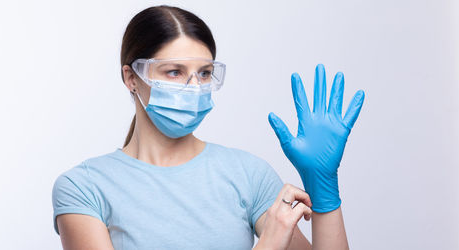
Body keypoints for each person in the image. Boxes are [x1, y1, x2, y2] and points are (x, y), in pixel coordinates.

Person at [52, 5, 364, 250]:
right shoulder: (84, 188)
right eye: (174, 72)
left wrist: (325, 195)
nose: (193, 86)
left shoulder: (247, 174)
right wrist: (268, 244)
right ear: (131, 78)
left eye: (204, 73)